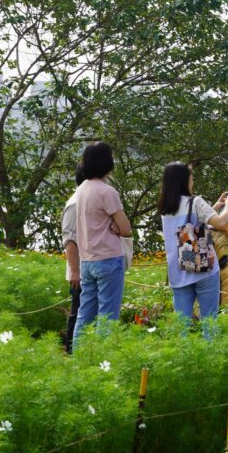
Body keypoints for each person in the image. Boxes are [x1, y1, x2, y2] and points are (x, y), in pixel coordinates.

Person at [158, 161, 228, 326]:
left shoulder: (166, 207)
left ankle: (184, 351)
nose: (193, 180)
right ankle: (209, 349)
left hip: (179, 273)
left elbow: (188, 227)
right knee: (209, 322)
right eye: (191, 176)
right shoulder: (195, 202)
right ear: (184, 180)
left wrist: (215, 206)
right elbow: (221, 223)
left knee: (182, 325)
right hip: (203, 269)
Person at [72, 142, 131, 351]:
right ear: (108, 162)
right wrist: (116, 226)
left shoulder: (81, 190)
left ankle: (80, 356)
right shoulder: (107, 192)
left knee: (85, 313)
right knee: (108, 315)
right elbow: (126, 229)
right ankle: (104, 359)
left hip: (87, 259)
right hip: (108, 259)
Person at [61, 165, 85, 354]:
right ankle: (71, 352)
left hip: (88, 268)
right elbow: (69, 239)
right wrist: (75, 271)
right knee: (78, 314)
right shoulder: (76, 203)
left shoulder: (86, 201)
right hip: (81, 272)